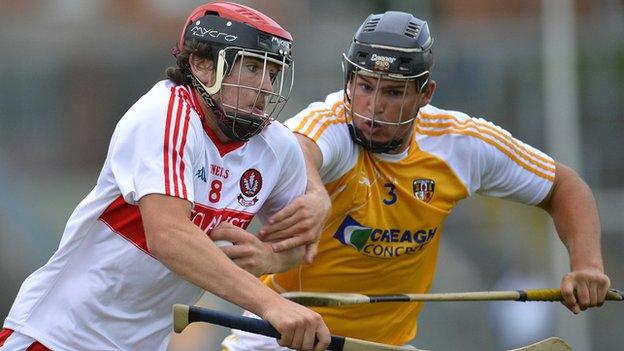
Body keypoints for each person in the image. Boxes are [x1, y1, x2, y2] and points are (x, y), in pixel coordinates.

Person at [221, 10, 612, 349]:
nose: (373, 107)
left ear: (425, 94)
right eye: (364, 86)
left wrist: (587, 264)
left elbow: (564, 186)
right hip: (282, 336)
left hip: (383, 347)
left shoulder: (460, 144)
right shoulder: (331, 124)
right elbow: (300, 149)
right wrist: (316, 192)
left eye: (393, 92)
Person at [0, 2, 331, 351]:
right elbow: (169, 236)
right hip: (58, 337)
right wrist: (270, 303)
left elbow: (299, 242)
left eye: (273, 73)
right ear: (202, 64)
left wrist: (272, 258)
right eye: (252, 68)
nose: (265, 86)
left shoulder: (276, 146)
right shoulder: (165, 114)